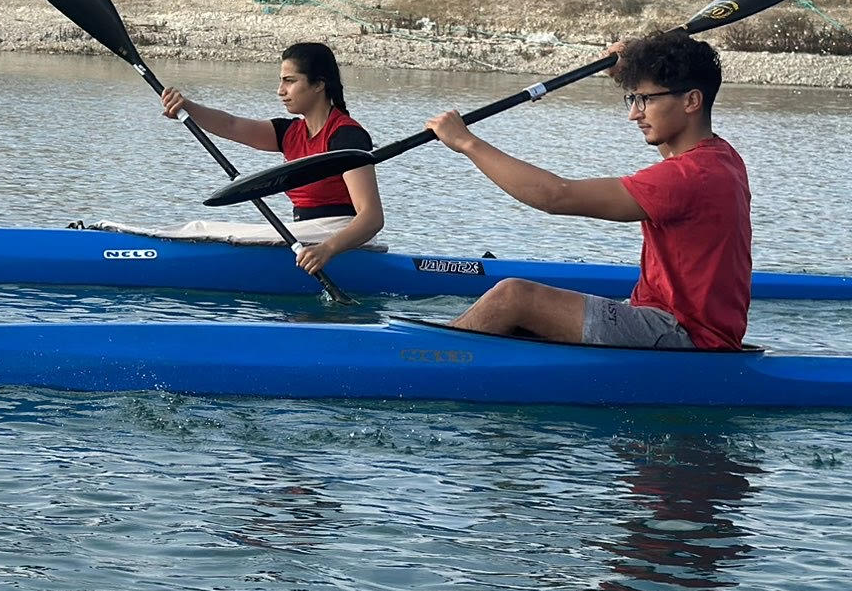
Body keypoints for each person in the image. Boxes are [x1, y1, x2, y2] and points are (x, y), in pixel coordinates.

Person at [424, 29, 750, 350]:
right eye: (633, 98)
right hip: (684, 327)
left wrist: (466, 142)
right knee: (522, 325)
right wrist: (636, 63)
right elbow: (671, 145)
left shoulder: (688, 176)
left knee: (514, 297)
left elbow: (555, 195)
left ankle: (423, 360)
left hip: (680, 334)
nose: (634, 114)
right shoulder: (721, 158)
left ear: (692, 100)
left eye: (645, 100)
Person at [160, 42, 384, 278]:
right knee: (201, 227)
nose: (280, 90)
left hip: (338, 235)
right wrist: (186, 107)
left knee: (202, 230)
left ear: (319, 84)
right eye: (281, 81)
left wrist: (326, 250)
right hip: (306, 235)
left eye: (290, 81)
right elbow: (231, 125)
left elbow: (372, 217)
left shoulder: (346, 136)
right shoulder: (290, 133)